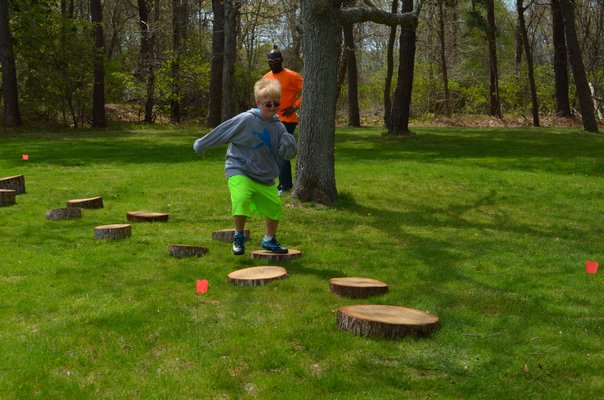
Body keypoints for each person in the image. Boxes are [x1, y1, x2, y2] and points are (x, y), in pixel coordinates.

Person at [193, 78, 296, 256]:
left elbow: (285, 154)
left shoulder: (278, 126)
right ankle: (239, 236)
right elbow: (223, 131)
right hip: (239, 167)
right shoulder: (247, 119)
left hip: (264, 175)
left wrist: (289, 145)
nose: (272, 107)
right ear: (258, 103)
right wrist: (202, 144)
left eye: (276, 103)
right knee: (241, 198)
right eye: (268, 104)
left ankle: (269, 240)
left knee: (274, 207)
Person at [263, 45, 303, 196]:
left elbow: (309, 89)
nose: (273, 63)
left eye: (276, 60)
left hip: (287, 119)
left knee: (282, 151)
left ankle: (285, 186)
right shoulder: (266, 77)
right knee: (272, 151)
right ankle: (276, 183)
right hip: (271, 119)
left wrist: (295, 106)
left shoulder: (292, 76)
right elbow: (261, 95)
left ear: (281, 60)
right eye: (270, 61)